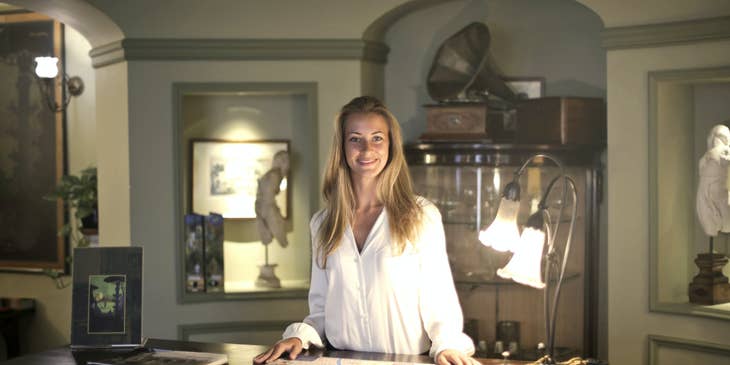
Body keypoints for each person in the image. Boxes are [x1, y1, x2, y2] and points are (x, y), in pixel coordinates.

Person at [254, 96, 475, 365]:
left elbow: (439, 301)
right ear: (343, 148)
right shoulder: (323, 224)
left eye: (378, 138)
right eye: (355, 138)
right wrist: (300, 336)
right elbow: (322, 310)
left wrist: (446, 347)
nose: (367, 148)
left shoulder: (421, 216)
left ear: (391, 145)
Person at [696, 123, 730, 236]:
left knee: (720, 214)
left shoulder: (724, 151)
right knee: (709, 215)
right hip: (707, 188)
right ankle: (719, 226)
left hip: (715, 188)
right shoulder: (709, 155)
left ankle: (722, 226)